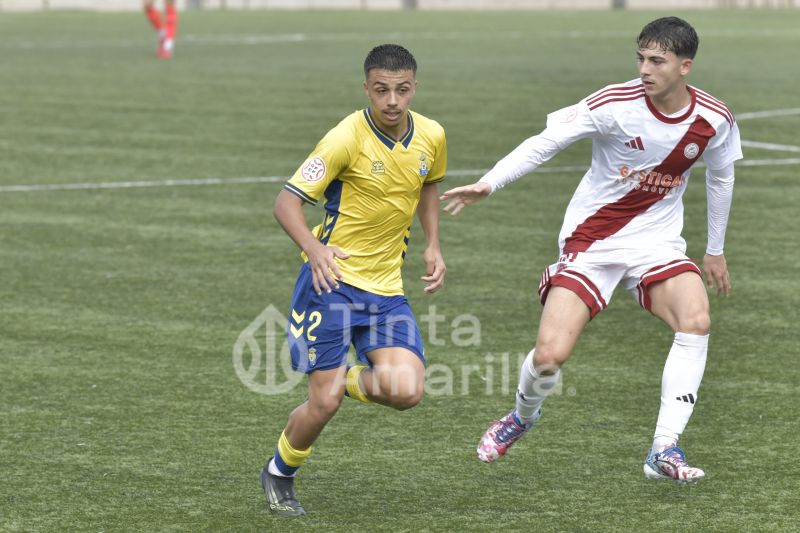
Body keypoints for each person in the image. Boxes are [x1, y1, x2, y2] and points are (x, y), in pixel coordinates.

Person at [441, 16, 741, 484]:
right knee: (549, 357)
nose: (644, 68)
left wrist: (715, 250)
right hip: (592, 241)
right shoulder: (613, 103)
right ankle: (522, 416)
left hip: (656, 244)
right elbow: (545, 144)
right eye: (641, 57)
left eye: (657, 61)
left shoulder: (714, 119)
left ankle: (664, 448)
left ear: (685, 66)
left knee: (696, 319)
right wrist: (489, 182)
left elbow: (722, 176)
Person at [261, 44, 448, 516]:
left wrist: (433, 244)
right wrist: (314, 248)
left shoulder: (431, 135)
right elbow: (287, 202)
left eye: (402, 90)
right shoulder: (346, 137)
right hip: (331, 286)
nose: (392, 101)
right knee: (322, 408)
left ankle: (339, 380)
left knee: (407, 392)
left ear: (414, 88)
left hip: (386, 291)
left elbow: (428, 183)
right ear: (366, 88)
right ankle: (280, 472)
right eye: (381, 90)